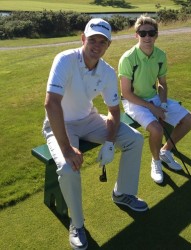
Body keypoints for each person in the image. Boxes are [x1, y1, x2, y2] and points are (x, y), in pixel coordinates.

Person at [42, 18, 148, 250]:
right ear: (83, 39)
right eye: (92, 39)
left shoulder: (108, 72)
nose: (96, 45)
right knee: (69, 167)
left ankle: (123, 193)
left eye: (102, 41)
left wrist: (110, 142)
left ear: (108, 45)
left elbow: (113, 111)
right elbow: (51, 105)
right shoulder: (65, 60)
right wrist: (68, 149)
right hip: (60, 124)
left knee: (134, 139)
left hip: (89, 119)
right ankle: (77, 224)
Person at [118, 15, 191, 184]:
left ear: (156, 35)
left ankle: (165, 151)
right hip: (133, 102)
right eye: (143, 33)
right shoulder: (128, 58)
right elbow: (126, 93)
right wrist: (153, 108)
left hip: (154, 98)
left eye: (151, 33)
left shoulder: (161, 55)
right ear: (136, 35)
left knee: (190, 119)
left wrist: (163, 103)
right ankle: (156, 161)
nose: (147, 37)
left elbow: (162, 84)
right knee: (157, 130)